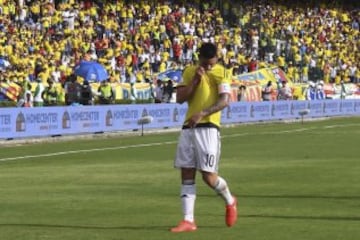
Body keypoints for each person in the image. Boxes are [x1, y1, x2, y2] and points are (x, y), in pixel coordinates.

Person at [171, 42, 237, 233]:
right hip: (188, 128)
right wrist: (195, 82)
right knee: (187, 173)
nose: (209, 67)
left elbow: (225, 100)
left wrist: (202, 113)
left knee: (208, 177)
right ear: (199, 58)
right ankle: (188, 220)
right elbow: (180, 98)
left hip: (209, 128)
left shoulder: (221, 72)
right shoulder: (189, 72)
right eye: (206, 63)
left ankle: (230, 201)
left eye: (212, 63)